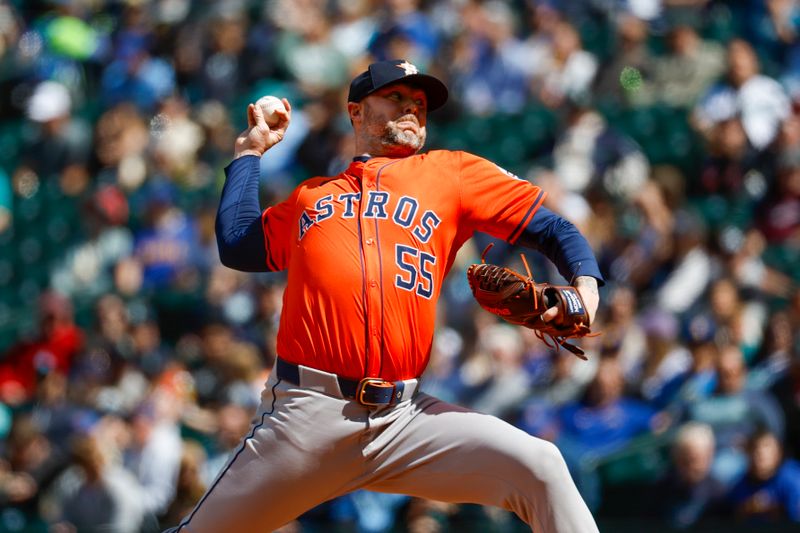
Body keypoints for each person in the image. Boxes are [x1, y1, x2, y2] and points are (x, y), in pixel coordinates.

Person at [171, 59, 603, 533]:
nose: (412, 108)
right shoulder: (310, 198)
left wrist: (585, 287)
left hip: (405, 419)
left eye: (419, 103)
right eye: (396, 97)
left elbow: (553, 227)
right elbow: (238, 244)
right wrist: (251, 152)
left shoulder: (453, 173)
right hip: (306, 416)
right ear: (356, 112)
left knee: (540, 467)